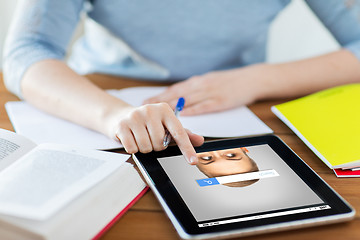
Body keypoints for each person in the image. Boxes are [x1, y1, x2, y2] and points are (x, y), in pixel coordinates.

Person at [3, 1, 360, 165]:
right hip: (95, 97)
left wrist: (257, 79)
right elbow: (25, 51)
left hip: (237, 108)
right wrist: (113, 116)